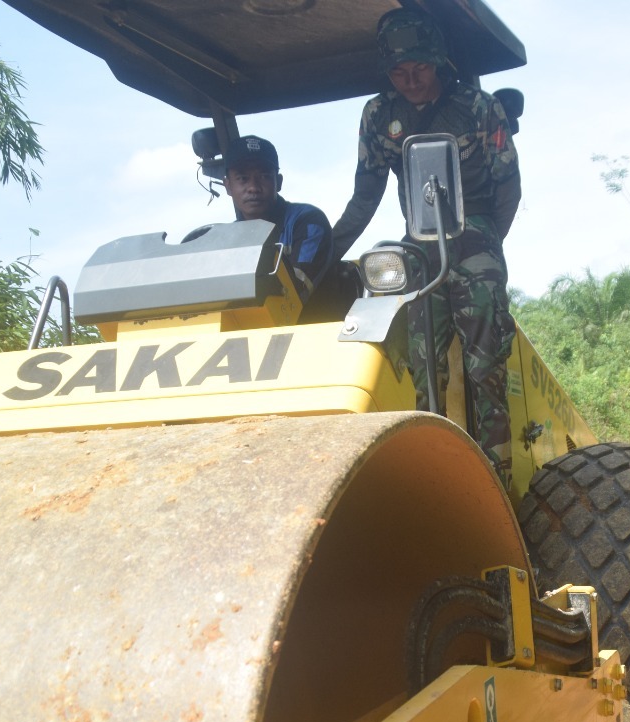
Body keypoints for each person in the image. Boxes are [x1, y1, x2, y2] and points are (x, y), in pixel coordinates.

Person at [330, 8, 521, 486]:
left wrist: (487, 246)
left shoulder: (479, 107)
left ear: (437, 61)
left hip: (474, 235)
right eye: (399, 72)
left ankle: (496, 478)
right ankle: (438, 478)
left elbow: (508, 187)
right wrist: (322, 257)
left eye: (419, 69)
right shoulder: (379, 115)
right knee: (424, 372)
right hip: (417, 244)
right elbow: (365, 196)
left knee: (485, 370)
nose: (410, 81)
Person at [221, 135, 333, 304]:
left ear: (278, 182)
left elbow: (293, 292)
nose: (253, 188)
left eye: (264, 176)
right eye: (243, 178)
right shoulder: (224, 240)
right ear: (228, 186)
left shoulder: (308, 222)